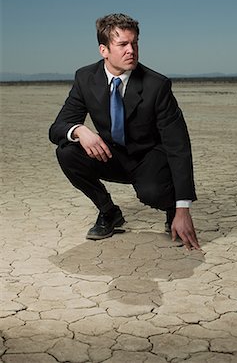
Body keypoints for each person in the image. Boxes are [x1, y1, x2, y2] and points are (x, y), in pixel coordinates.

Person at [49, 13, 200, 250]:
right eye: (123, 44)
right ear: (104, 50)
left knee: (152, 193)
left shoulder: (156, 85)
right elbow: (57, 127)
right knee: (66, 152)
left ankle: (170, 209)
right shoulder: (85, 78)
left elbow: (178, 145)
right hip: (111, 155)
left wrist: (183, 208)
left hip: (149, 159)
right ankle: (109, 212)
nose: (131, 50)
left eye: (135, 43)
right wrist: (79, 130)